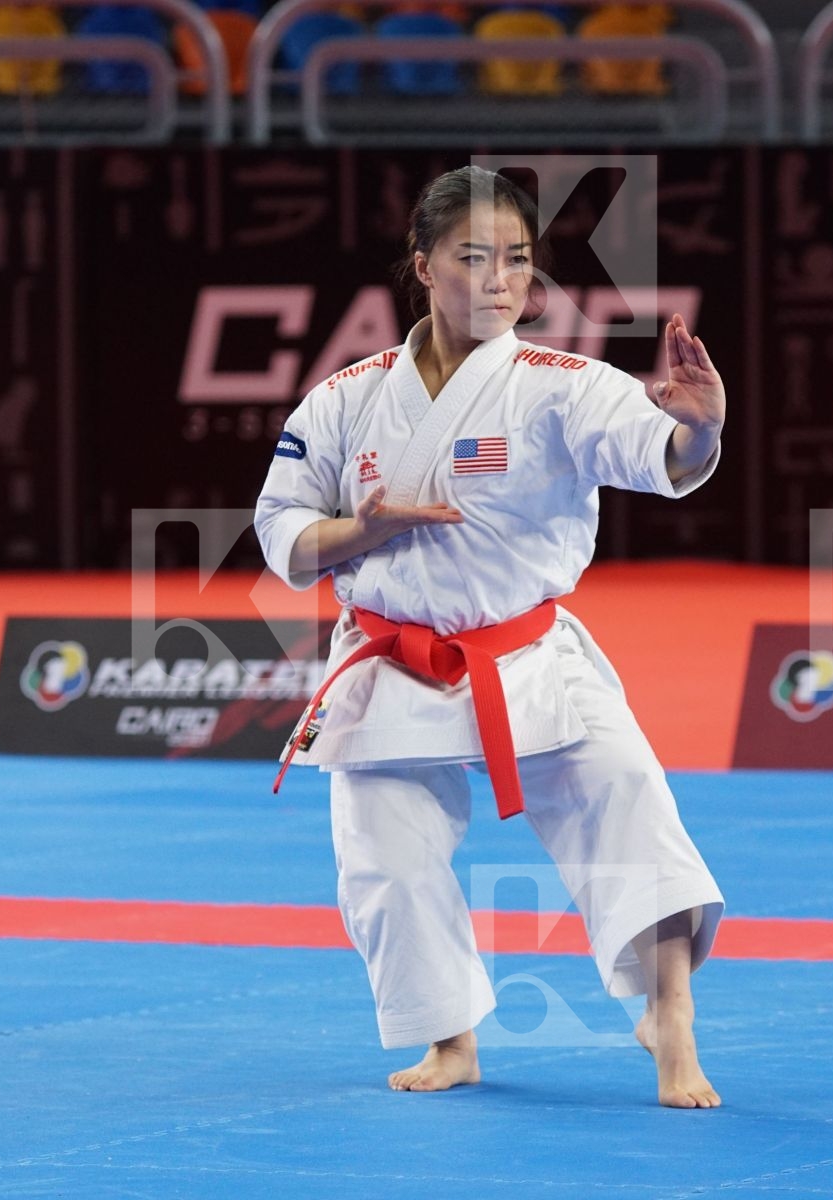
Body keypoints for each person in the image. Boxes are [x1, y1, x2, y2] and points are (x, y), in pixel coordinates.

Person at [253, 165, 726, 1108]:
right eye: (476, 259)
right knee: (383, 858)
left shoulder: (561, 384)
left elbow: (659, 454)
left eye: (517, 260)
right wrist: (367, 531)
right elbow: (283, 534)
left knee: (630, 796)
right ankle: (451, 1040)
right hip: (392, 657)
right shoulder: (348, 396)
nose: (503, 281)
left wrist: (701, 432)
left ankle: (670, 1022)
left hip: (528, 650)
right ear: (423, 267)